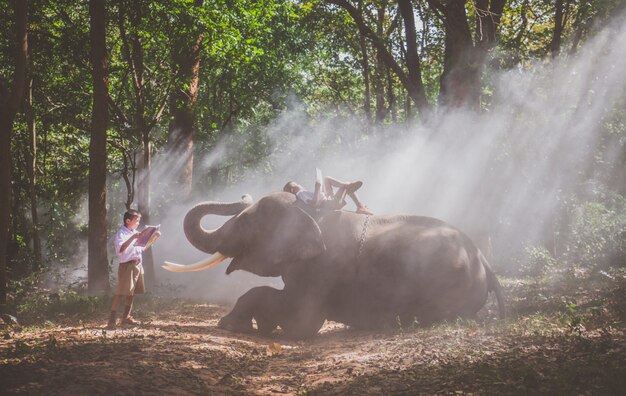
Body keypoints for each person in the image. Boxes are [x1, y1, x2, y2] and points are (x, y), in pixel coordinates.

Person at [106, 209, 160, 329]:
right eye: (136, 221)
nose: (138, 223)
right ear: (128, 220)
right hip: (127, 266)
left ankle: (126, 317)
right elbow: (121, 249)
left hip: (137, 265)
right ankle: (112, 319)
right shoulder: (122, 233)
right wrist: (133, 237)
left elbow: (142, 248)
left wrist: (154, 238)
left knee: (131, 293)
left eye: (139, 221)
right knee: (121, 292)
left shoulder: (136, 233)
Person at [283, 174, 373, 215]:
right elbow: (313, 203)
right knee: (346, 186)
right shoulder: (300, 193)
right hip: (328, 204)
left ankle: (348, 186)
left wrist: (320, 189)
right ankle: (359, 205)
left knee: (326, 179)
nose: (299, 184)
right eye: (297, 184)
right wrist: (317, 188)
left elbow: (317, 197)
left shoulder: (302, 193)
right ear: (293, 189)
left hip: (327, 199)